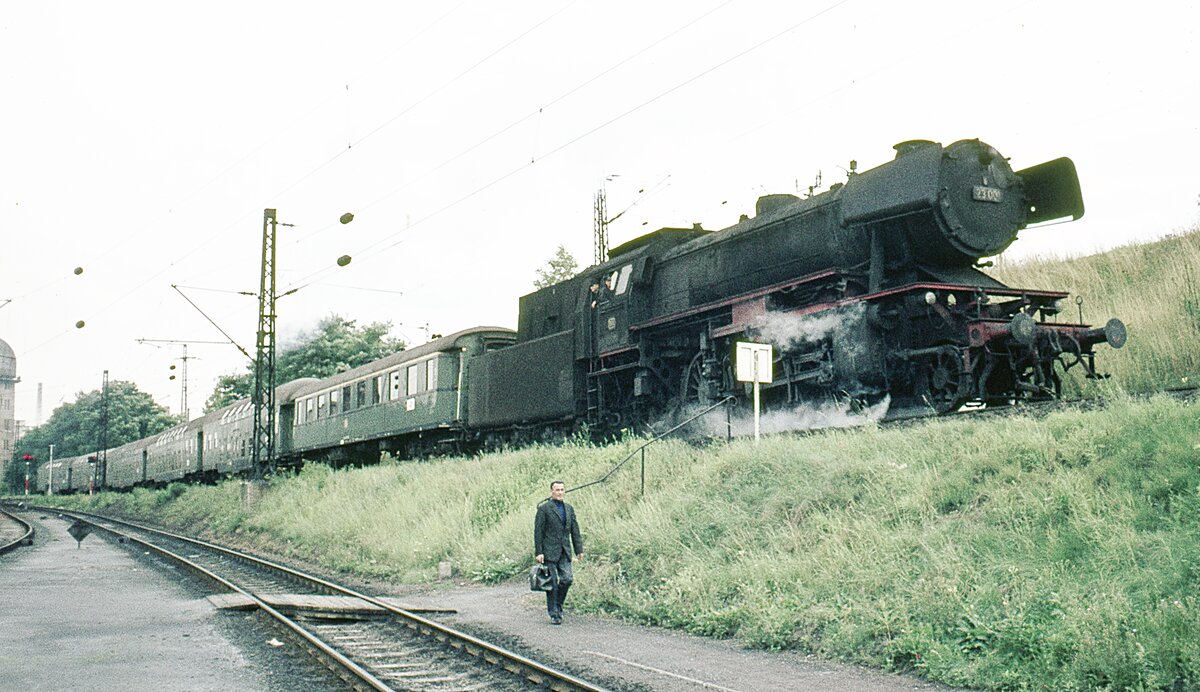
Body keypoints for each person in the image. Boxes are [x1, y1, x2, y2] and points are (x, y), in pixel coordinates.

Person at [533, 480, 584, 625]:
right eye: (557, 490)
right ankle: (554, 613)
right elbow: (538, 532)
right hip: (549, 551)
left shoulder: (569, 508)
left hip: (565, 550)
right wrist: (539, 552)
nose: (560, 492)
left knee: (567, 579)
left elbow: (575, 530)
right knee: (553, 583)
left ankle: (558, 605)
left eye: (562, 490)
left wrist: (579, 549)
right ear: (551, 492)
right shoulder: (544, 509)